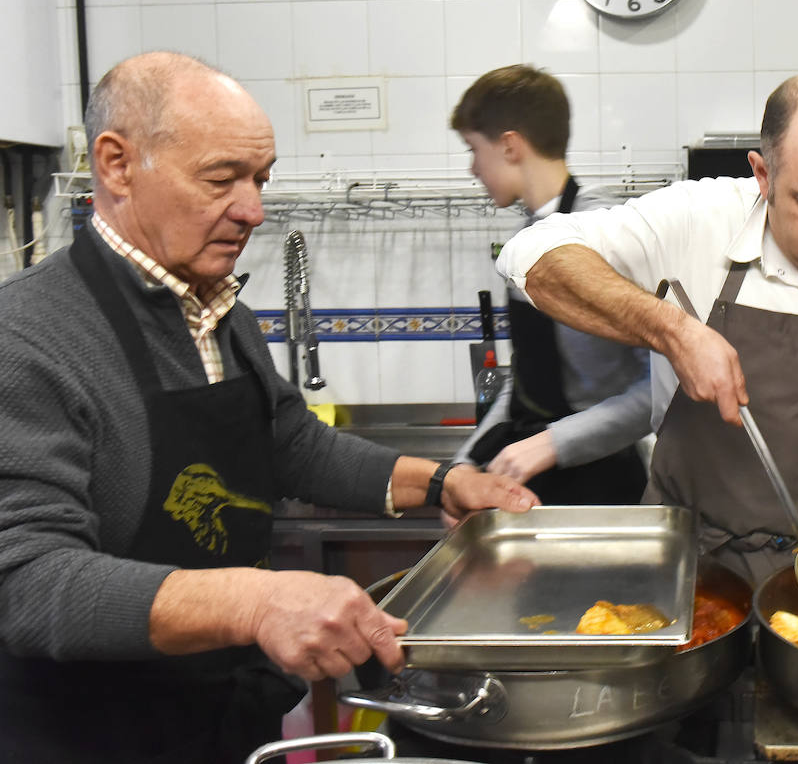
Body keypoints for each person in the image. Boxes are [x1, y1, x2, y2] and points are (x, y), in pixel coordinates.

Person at [0, 51, 538, 764]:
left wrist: (440, 482)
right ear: (117, 165)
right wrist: (257, 602)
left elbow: (288, 441)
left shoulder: (217, 310)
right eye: (222, 179)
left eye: (260, 179)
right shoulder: (26, 336)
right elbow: (28, 582)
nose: (253, 209)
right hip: (92, 734)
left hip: (220, 713)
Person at [495, 72, 798, 585]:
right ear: (763, 175)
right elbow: (529, 254)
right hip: (681, 558)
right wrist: (672, 330)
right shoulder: (697, 220)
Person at [449, 64, 652, 505]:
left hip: (604, 487)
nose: (472, 168)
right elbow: (524, 385)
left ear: (509, 146)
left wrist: (554, 442)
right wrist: (464, 466)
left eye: (473, 149)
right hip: (536, 481)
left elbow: (662, 388)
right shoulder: (527, 240)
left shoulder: (605, 232)